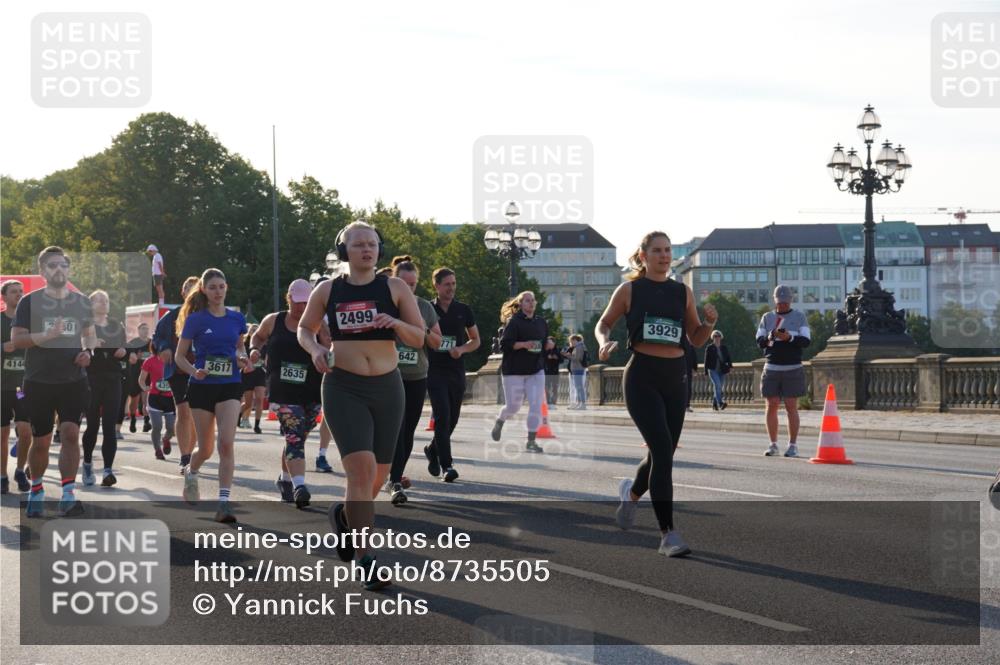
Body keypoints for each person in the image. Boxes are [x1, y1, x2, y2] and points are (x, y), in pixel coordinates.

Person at [298, 221, 424, 589]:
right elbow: (304, 329)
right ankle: (365, 559)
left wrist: (396, 323)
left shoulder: (395, 287)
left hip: (388, 387)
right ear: (344, 251)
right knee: (361, 470)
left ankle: (344, 517)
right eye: (358, 245)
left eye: (372, 244)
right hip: (343, 386)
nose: (367, 250)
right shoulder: (328, 290)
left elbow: (419, 338)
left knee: (379, 477)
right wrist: (317, 348)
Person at [596, 232, 717, 557]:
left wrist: (707, 324)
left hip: (676, 379)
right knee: (662, 451)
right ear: (643, 255)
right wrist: (602, 342)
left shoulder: (682, 292)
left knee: (662, 454)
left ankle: (631, 495)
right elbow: (604, 323)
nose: (664, 256)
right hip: (642, 377)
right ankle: (668, 535)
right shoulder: (630, 289)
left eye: (667, 251)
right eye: (657, 251)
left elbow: (694, 339)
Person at [11, 246, 97, 517]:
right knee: (42, 439)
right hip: (39, 381)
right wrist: (47, 335)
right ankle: (36, 489)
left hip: (73, 379)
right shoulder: (29, 302)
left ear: (68, 269)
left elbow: (90, 335)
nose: (58, 269)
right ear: (42, 271)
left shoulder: (81, 302)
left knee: (71, 433)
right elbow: (17, 340)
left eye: (63, 264)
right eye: (52, 265)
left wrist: (88, 352)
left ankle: (68, 494)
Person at [174, 269, 250, 523]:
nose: (218, 292)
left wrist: (243, 358)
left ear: (226, 287)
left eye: (221, 286)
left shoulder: (237, 319)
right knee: (205, 449)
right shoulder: (196, 320)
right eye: (213, 287)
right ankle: (192, 471)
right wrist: (195, 371)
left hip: (230, 384)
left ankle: (224, 503)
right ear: (204, 290)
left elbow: (239, 346)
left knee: (226, 443)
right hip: (202, 386)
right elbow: (179, 357)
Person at [250, 279, 326, 508]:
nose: (302, 308)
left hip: (312, 390)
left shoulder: (318, 323)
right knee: (294, 433)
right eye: (298, 302)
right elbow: (258, 337)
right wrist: (254, 349)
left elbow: (330, 348)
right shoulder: (274, 320)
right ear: (289, 298)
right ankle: (299, 486)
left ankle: (284, 480)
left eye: (306, 303)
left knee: (298, 436)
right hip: (282, 389)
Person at [386, 256, 442, 503]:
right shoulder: (385, 304)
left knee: (407, 431)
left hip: (416, 376)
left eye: (413, 284)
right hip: (388, 375)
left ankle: (394, 476)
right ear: (394, 281)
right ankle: (393, 479)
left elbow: (438, 342)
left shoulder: (424, 307)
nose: (409, 289)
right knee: (393, 431)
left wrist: (423, 329)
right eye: (404, 283)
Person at [424, 268, 480, 480]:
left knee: (453, 419)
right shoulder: (427, 309)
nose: (451, 288)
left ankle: (432, 450)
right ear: (436, 286)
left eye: (454, 284)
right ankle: (447, 465)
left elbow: (476, 340)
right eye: (447, 284)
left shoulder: (463, 310)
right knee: (442, 416)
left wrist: (461, 349)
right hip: (434, 369)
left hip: (456, 370)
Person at [490, 291, 549, 453]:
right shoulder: (513, 322)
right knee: (513, 407)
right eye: (527, 301)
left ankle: (531, 441)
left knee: (536, 405)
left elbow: (543, 343)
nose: (530, 303)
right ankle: (500, 420)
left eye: (532, 301)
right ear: (520, 304)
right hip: (514, 370)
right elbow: (504, 345)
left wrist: (548, 344)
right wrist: (523, 344)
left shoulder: (541, 322)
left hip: (535, 370)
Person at [756, 285, 810, 458]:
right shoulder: (767, 317)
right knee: (771, 404)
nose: (782, 306)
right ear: (775, 301)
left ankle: (792, 445)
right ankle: (773, 445)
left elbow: (806, 341)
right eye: (780, 303)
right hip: (772, 366)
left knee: (791, 406)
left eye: (785, 303)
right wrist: (771, 336)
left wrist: (789, 337)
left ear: (790, 301)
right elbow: (760, 341)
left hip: (792, 366)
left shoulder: (799, 317)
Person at [81, 290, 128, 487]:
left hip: (113, 378)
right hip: (92, 378)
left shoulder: (117, 325)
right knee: (92, 425)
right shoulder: (86, 325)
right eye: (99, 300)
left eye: (106, 300)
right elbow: (82, 346)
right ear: (91, 305)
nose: (103, 303)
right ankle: (88, 463)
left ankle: (108, 470)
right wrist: (90, 345)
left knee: (109, 425)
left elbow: (126, 349)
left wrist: (123, 351)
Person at [153, 276, 200, 472]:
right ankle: (185, 456)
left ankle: (194, 452)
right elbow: (157, 338)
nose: (191, 292)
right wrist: (164, 348)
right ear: (183, 293)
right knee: (183, 410)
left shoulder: (208, 315)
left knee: (198, 414)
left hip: (202, 371)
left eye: (195, 289)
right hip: (178, 370)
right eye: (188, 289)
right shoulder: (171, 317)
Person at [1, 280, 32, 494]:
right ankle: (2, 476)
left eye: (21, 292)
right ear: (3, 297)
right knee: (2, 433)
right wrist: (3, 347)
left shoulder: (28, 322)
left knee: (25, 430)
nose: (19, 295)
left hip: (21, 389)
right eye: (14, 292)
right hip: (1, 386)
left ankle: (20, 470)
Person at [138, 349, 175, 460]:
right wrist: (145, 387)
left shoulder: (174, 359)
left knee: (171, 428)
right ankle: (158, 450)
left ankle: (166, 439)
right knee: (157, 426)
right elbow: (141, 379)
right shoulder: (150, 361)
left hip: (170, 399)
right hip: (155, 397)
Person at [124, 323, 153, 434]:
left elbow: (156, 355)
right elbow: (128, 357)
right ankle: (132, 419)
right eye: (143, 329)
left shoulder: (151, 343)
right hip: (135, 374)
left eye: (147, 329)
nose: (145, 331)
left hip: (148, 374)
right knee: (134, 400)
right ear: (138, 330)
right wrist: (136, 357)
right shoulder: (133, 343)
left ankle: (146, 422)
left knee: (146, 399)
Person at [239, 323, 267, 433]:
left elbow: (267, 360)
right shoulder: (245, 344)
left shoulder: (264, 345)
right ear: (249, 332)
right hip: (248, 373)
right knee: (248, 403)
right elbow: (240, 357)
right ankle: (239, 415)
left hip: (260, 374)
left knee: (260, 399)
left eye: (257, 329)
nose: (255, 331)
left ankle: (257, 425)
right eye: (252, 329)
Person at [704, 330, 733, 411]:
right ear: (712, 337)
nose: (717, 338)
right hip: (712, 370)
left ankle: (714, 404)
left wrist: (730, 366)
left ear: (721, 337)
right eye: (715, 336)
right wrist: (705, 371)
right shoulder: (709, 347)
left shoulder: (724, 347)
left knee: (718, 387)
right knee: (718, 386)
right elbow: (706, 360)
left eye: (718, 336)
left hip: (722, 371)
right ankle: (720, 403)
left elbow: (728, 357)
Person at [563, 334, 588, 409]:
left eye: (571, 341)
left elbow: (578, 358)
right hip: (576, 369)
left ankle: (582, 404)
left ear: (575, 340)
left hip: (578, 369)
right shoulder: (578, 347)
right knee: (578, 387)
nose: (571, 343)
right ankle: (580, 403)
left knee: (579, 387)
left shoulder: (579, 347)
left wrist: (568, 356)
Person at [543, 336, 562, 408]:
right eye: (548, 343)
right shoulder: (545, 350)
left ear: (554, 343)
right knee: (546, 387)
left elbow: (561, 360)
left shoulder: (557, 350)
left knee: (554, 388)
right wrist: (547, 357)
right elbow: (542, 358)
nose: (549, 344)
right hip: (546, 371)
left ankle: (553, 402)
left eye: (550, 342)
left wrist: (556, 358)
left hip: (554, 372)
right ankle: (548, 401)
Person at [683, 336, 697, 413]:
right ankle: (682, 405)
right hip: (681, 370)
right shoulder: (682, 346)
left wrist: (695, 369)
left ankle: (687, 405)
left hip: (689, 371)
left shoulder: (691, 347)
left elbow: (694, 358)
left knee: (689, 388)